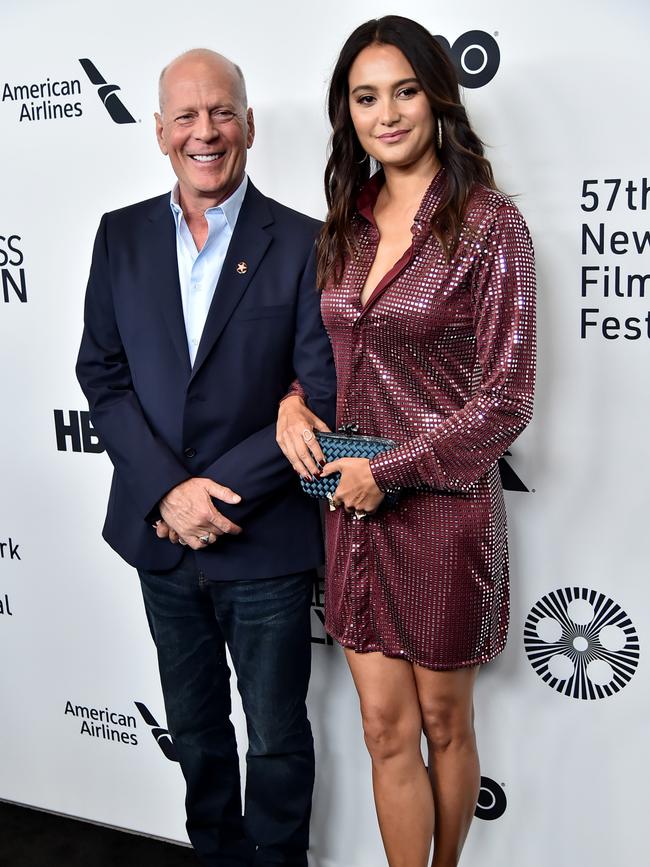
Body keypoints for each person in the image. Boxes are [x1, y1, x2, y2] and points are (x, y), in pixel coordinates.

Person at [277, 16, 536, 867]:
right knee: (384, 726)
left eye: (404, 90)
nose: (386, 113)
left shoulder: (489, 224)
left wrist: (387, 471)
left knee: (440, 721)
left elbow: (506, 399)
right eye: (365, 96)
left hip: (440, 512)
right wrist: (290, 401)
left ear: (437, 97)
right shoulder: (342, 228)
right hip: (349, 514)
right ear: (346, 112)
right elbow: (322, 363)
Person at [76, 48, 336, 867]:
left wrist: (208, 494)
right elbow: (103, 375)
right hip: (161, 535)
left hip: (263, 538)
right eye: (185, 115)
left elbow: (319, 393)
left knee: (278, 738)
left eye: (221, 111)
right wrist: (167, 494)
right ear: (158, 132)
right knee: (192, 727)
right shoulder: (118, 238)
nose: (205, 130)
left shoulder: (304, 243)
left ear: (250, 125)